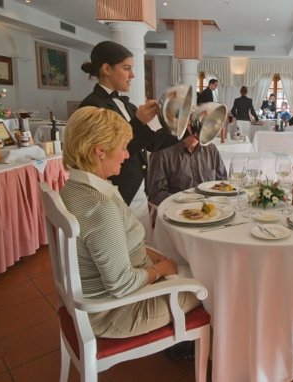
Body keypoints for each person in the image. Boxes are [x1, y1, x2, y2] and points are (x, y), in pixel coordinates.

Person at [59, 106, 199, 338]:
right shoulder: (100, 206)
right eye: (123, 147)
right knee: (212, 287)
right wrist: (161, 269)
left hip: (98, 296)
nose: (127, 155)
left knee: (185, 268)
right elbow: (122, 285)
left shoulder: (72, 189)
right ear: (100, 152)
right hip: (115, 313)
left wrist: (149, 255)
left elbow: (107, 244)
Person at [79, 40, 162, 235]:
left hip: (138, 191)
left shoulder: (128, 105)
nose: (132, 75)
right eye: (126, 68)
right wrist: (139, 122)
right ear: (106, 69)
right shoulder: (92, 106)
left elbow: (152, 144)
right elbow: (110, 150)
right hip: (116, 195)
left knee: (142, 248)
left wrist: (183, 129)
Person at [147, 128, 228, 205]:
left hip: (212, 209)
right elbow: (156, 194)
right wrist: (186, 202)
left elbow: (223, 182)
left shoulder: (211, 149)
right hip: (178, 212)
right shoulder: (161, 153)